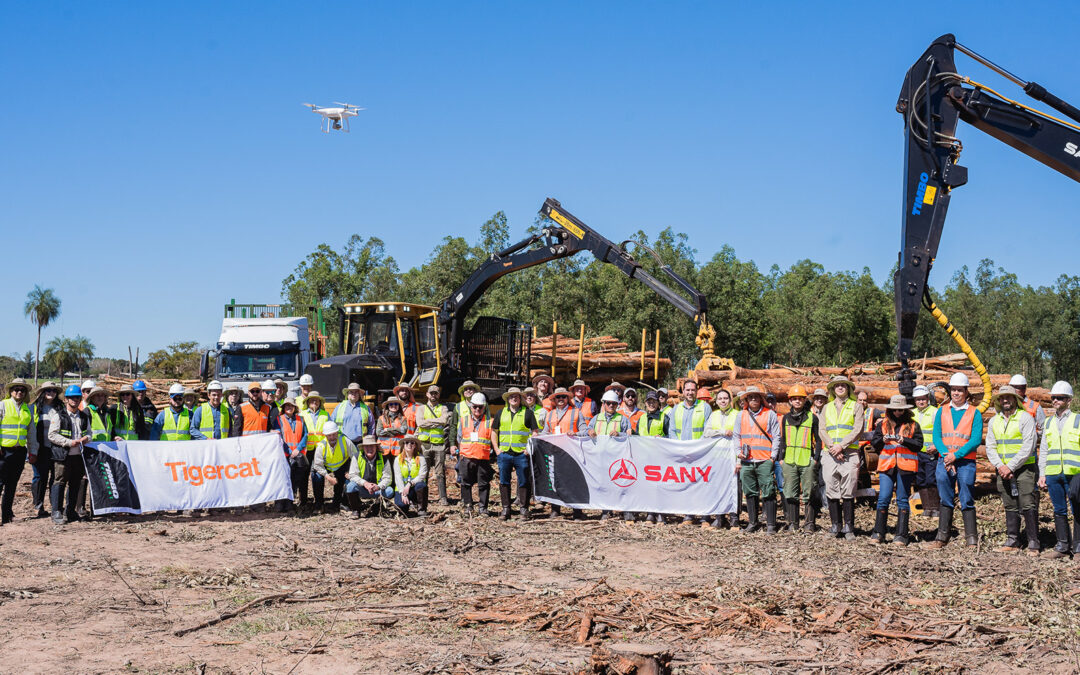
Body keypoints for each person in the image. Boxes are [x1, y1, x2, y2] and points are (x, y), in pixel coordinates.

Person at [924, 372, 984, 550]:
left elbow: (975, 440)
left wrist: (955, 456)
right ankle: (942, 536)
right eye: (954, 390)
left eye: (960, 390)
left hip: (965, 463)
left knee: (966, 497)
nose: (956, 393)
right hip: (944, 461)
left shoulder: (974, 413)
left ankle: (971, 538)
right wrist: (946, 455)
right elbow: (937, 436)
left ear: (966, 392)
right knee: (945, 497)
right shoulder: (942, 411)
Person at [985, 385, 1039, 555]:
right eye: (1002, 398)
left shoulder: (1025, 418)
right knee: (1010, 504)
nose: (1005, 400)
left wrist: (1010, 466)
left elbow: (1028, 445)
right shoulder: (994, 421)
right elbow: (990, 446)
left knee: (1028, 503)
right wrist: (1000, 466)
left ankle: (1033, 543)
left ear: (1015, 399)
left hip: (1024, 468)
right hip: (1003, 470)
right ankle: (1013, 540)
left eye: (1008, 397)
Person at [870, 395, 923, 545]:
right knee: (883, 498)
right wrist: (883, 440)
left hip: (905, 466)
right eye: (894, 409)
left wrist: (904, 440)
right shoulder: (883, 424)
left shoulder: (913, 425)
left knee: (902, 499)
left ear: (905, 410)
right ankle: (878, 533)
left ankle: (901, 535)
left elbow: (919, 445)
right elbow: (875, 443)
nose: (897, 412)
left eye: (900, 410)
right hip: (887, 466)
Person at [818, 376, 864, 541]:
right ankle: (835, 526)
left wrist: (841, 446)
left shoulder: (856, 406)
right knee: (831, 488)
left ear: (848, 388)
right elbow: (822, 430)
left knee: (848, 490)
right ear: (832, 390)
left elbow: (858, 429)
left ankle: (849, 527)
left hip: (849, 453)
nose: (840, 388)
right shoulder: (826, 408)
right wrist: (833, 447)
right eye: (837, 385)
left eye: (843, 385)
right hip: (830, 454)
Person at [1039, 381, 1080, 559]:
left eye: (1060, 398)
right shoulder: (1048, 422)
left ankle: (1078, 548)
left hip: (1074, 473)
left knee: (1077, 509)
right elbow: (1044, 450)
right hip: (1053, 472)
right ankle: (1063, 547)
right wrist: (1042, 474)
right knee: (1059, 510)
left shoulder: (1078, 420)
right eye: (1053, 397)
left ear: (1069, 400)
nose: (1055, 400)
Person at [732, 386, 781, 534]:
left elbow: (776, 436)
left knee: (769, 491)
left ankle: (771, 524)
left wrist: (773, 457)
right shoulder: (741, 415)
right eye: (750, 397)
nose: (753, 399)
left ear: (761, 399)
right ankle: (753, 523)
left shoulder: (769, 414)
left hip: (764, 460)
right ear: (747, 399)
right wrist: (738, 452)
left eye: (756, 396)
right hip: (747, 461)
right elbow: (736, 436)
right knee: (750, 492)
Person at [668, 380, 712, 525]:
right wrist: (679, 448)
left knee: (703, 484)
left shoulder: (705, 407)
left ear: (696, 391)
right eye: (687, 390)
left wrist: (697, 448)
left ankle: (705, 516)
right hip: (683, 454)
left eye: (693, 390)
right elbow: (672, 431)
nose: (690, 393)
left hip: (700, 453)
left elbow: (707, 430)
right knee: (687, 484)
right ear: (683, 392)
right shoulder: (676, 409)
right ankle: (689, 515)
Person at [779, 385, 821, 533]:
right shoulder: (785, 418)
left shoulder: (812, 418)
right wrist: (781, 458)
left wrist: (816, 459)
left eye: (800, 398)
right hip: (789, 461)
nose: (797, 401)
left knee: (809, 492)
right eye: (794, 398)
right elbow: (783, 439)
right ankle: (793, 523)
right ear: (790, 401)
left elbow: (819, 440)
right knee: (790, 492)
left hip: (807, 460)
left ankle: (809, 523)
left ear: (804, 400)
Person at [493, 387, 540, 520]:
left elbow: (535, 432)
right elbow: (494, 431)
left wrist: (528, 449)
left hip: (521, 454)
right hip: (505, 453)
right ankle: (506, 509)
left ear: (520, 399)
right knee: (504, 481)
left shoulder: (528, 413)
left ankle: (524, 509)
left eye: (516, 396)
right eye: (511, 396)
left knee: (524, 481)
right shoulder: (501, 413)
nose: (514, 398)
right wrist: (496, 449)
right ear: (508, 399)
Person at [47, 385, 89, 524]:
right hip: (62, 456)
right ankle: (56, 511)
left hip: (78, 456)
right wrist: (69, 442)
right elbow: (52, 435)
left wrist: (87, 438)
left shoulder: (83, 416)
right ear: (66, 399)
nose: (75, 400)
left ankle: (70, 511)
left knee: (75, 483)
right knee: (59, 482)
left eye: (77, 397)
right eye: (72, 397)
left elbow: (89, 433)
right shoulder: (59, 416)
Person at [588, 390, 630, 521]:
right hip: (600, 457)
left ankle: (622, 509)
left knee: (619, 484)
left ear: (617, 405)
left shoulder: (623, 419)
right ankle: (606, 510)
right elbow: (587, 431)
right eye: (608, 403)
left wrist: (619, 434)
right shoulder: (596, 418)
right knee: (604, 484)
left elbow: (630, 436)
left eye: (614, 403)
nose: (611, 405)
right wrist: (589, 431)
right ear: (604, 404)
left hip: (617, 458)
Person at [0, 379, 38, 523]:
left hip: (19, 452)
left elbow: (31, 433)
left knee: (12, 484)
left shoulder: (28, 409)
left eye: (22, 390)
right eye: (16, 389)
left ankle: (7, 515)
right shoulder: (3, 405)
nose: (19, 392)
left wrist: (33, 451)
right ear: (11, 391)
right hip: (3, 452)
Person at [702, 389, 739, 529]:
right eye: (720, 399)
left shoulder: (737, 414)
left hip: (732, 457)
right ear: (716, 401)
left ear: (730, 400)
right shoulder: (714, 415)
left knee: (734, 488)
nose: (723, 401)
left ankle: (734, 518)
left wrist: (739, 460)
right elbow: (707, 432)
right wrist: (722, 432)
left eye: (725, 398)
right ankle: (719, 517)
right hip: (717, 457)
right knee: (718, 487)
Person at [455, 393, 495, 517]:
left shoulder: (490, 421)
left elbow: (493, 440)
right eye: (475, 406)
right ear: (471, 407)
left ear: (484, 407)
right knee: (465, 483)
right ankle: (468, 507)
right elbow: (459, 437)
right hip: (466, 457)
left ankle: (483, 508)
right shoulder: (464, 419)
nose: (477, 409)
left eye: (480, 407)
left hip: (482, 458)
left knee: (483, 484)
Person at [415, 385, 451, 506]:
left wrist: (428, 422)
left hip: (439, 445)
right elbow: (420, 423)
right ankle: (422, 497)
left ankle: (443, 498)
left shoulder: (443, 408)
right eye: (431, 393)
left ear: (438, 395)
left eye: (436, 393)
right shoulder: (421, 408)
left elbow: (444, 420)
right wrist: (436, 422)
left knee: (440, 472)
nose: (433, 395)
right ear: (427, 394)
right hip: (424, 444)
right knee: (423, 472)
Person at [30, 382, 61, 518]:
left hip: (56, 448)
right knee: (39, 477)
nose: (51, 393)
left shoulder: (60, 408)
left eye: (54, 390)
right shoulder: (34, 408)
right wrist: (31, 449)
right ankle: (38, 505)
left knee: (55, 478)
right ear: (42, 392)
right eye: (48, 390)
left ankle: (55, 506)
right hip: (39, 448)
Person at [311, 420, 356, 513]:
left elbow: (355, 456)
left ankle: (341, 503)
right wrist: (328, 477)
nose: (332, 437)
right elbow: (317, 465)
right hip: (326, 466)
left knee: (347, 480)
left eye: (334, 434)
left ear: (337, 432)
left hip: (342, 465)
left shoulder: (345, 441)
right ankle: (319, 504)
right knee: (316, 477)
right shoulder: (321, 446)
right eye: (329, 435)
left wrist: (351, 471)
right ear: (325, 435)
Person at [344, 435, 393, 517]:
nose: (369, 449)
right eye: (367, 446)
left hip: (376, 490)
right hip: (361, 488)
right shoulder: (356, 457)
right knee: (350, 486)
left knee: (389, 491)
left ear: (376, 447)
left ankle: (376, 507)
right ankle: (356, 510)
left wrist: (378, 486)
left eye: (372, 446)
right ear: (363, 448)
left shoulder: (384, 459)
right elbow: (352, 475)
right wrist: (365, 483)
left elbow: (388, 478)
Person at [911, 385, 941, 520]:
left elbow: (941, 431)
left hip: (931, 452)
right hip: (917, 452)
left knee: (931, 479)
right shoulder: (912, 413)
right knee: (920, 480)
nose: (921, 402)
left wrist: (936, 446)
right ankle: (926, 508)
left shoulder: (935, 412)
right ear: (915, 400)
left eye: (923, 399)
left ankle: (935, 508)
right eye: (918, 399)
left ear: (928, 399)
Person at [277, 397, 309, 509]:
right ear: (283, 408)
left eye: (291, 405)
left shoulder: (301, 419)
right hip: (284, 455)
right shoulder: (279, 420)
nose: (289, 407)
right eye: (287, 405)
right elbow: (278, 437)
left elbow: (305, 435)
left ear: (295, 407)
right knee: (284, 479)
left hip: (298, 455)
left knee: (295, 480)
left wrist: (298, 449)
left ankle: (290, 502)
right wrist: (289, 451)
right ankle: (281, 503)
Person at [393, 435, 429, 517]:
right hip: (402, 489)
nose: (409, 444)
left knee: (422, 485)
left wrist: (410, 484)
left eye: (412, 443)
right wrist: (403, 493)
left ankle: (421, 510)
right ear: (403, 445)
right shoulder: (397, 459)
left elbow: (422, 475)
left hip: (415, 488)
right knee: (401, 506)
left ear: (415, 445)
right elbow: (398, 478)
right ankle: (406, 506)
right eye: (407, 443)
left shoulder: (421, 458)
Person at [332, 383, 372, 447]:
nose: (354, 394)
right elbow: (331, 424)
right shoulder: (339, 407)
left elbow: (371, 426)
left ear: (359, 394)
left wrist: (369, 442)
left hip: (360, 444)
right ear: (347, 394)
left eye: (356, 392)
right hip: (342, 443)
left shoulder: (366, 408)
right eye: (351, 392)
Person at [376, 396, 409, 464]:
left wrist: (387, 429)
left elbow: (403, 431)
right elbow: (379, 432)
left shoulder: (403, 418)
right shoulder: (381, 418)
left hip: (398, 449)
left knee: (397, 468)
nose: (394, 406)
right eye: (391, 404)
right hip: (383, 449)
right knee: (385, 469)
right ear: (388, 406)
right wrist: (397, 431)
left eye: (396, 404)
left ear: (399, 406)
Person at [301, 391, 329, 456]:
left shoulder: (326, 414)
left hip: (322, 447)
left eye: (316, 400)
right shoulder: (302, 414)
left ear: (320, 402)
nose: (314, 402)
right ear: (308, 402)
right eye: (312, 400)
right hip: (306, 448)